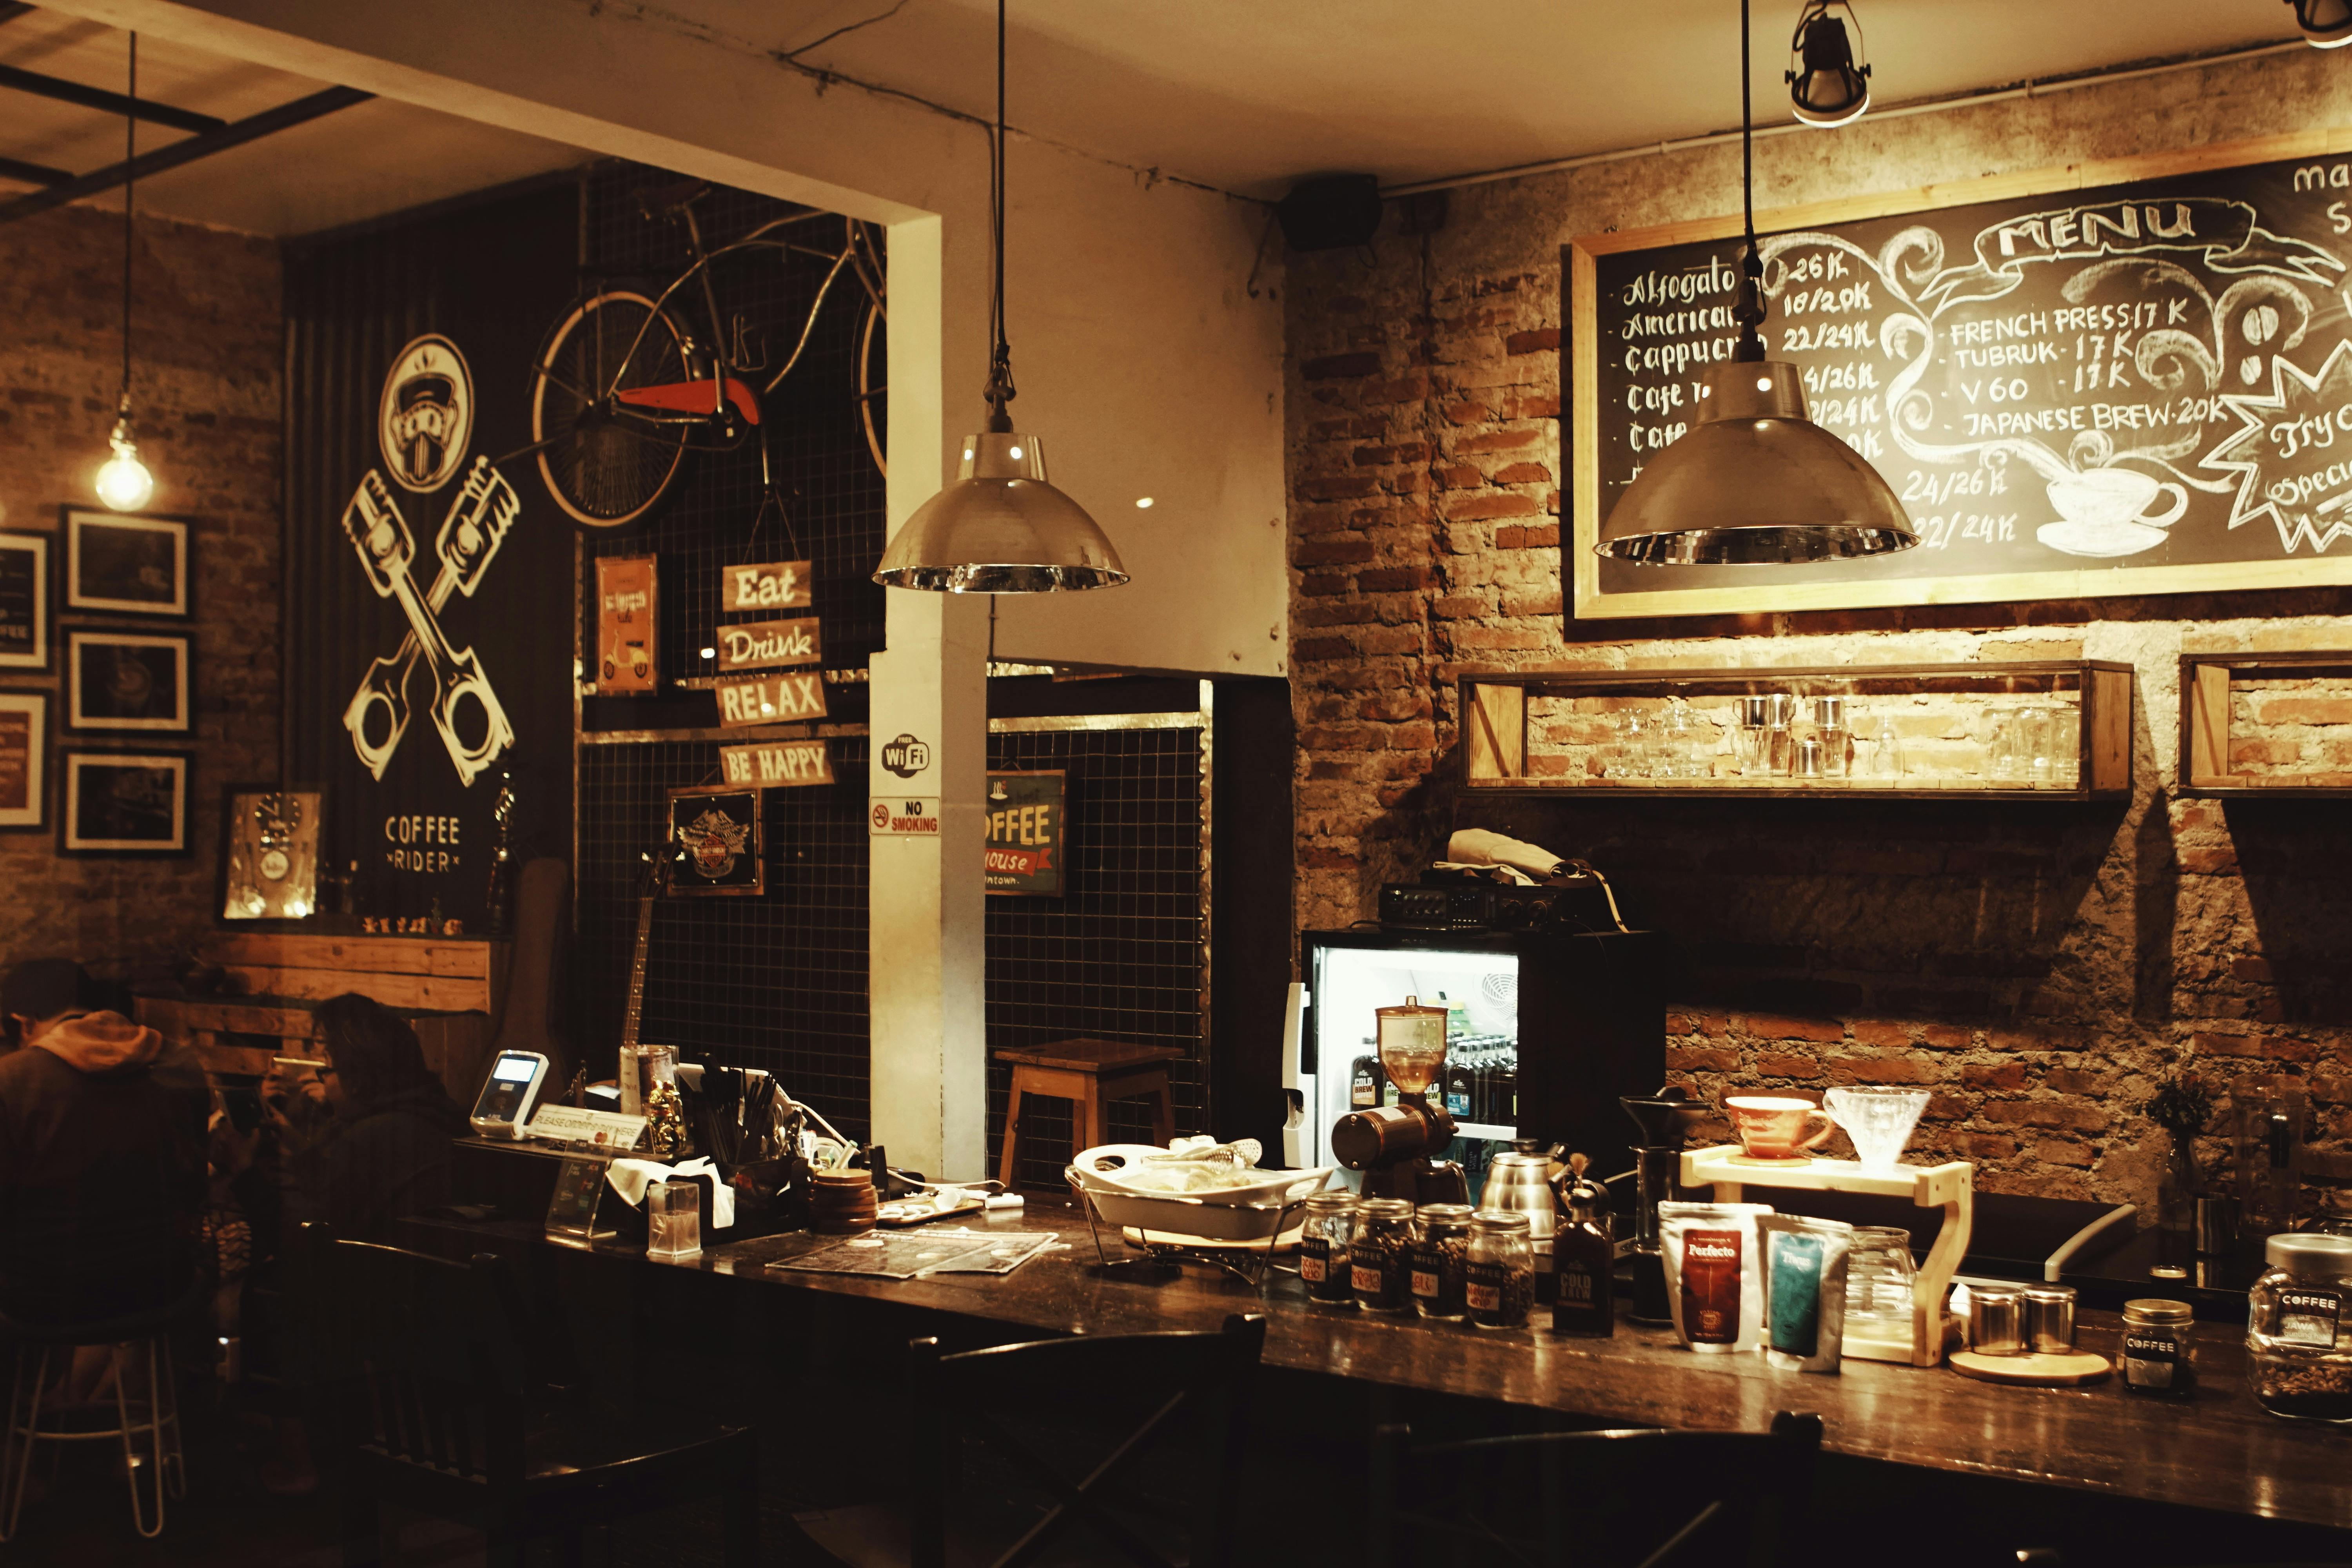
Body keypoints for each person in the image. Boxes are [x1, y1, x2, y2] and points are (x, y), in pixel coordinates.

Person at [0, 958, 204, 1332]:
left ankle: (36, 1392)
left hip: (46, 1299)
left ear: (24, 1023)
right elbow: (193, 1182)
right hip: (161, 1283)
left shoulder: (12, 1079)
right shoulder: (177, 1062)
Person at [277, 993, 469, 1243]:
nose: (323, 1079)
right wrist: (301, 1149)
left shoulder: (366, 1139)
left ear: (357, 1077)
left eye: (326, 1068)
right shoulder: (437, 1112)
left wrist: (247, 1176)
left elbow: (314, 1239)